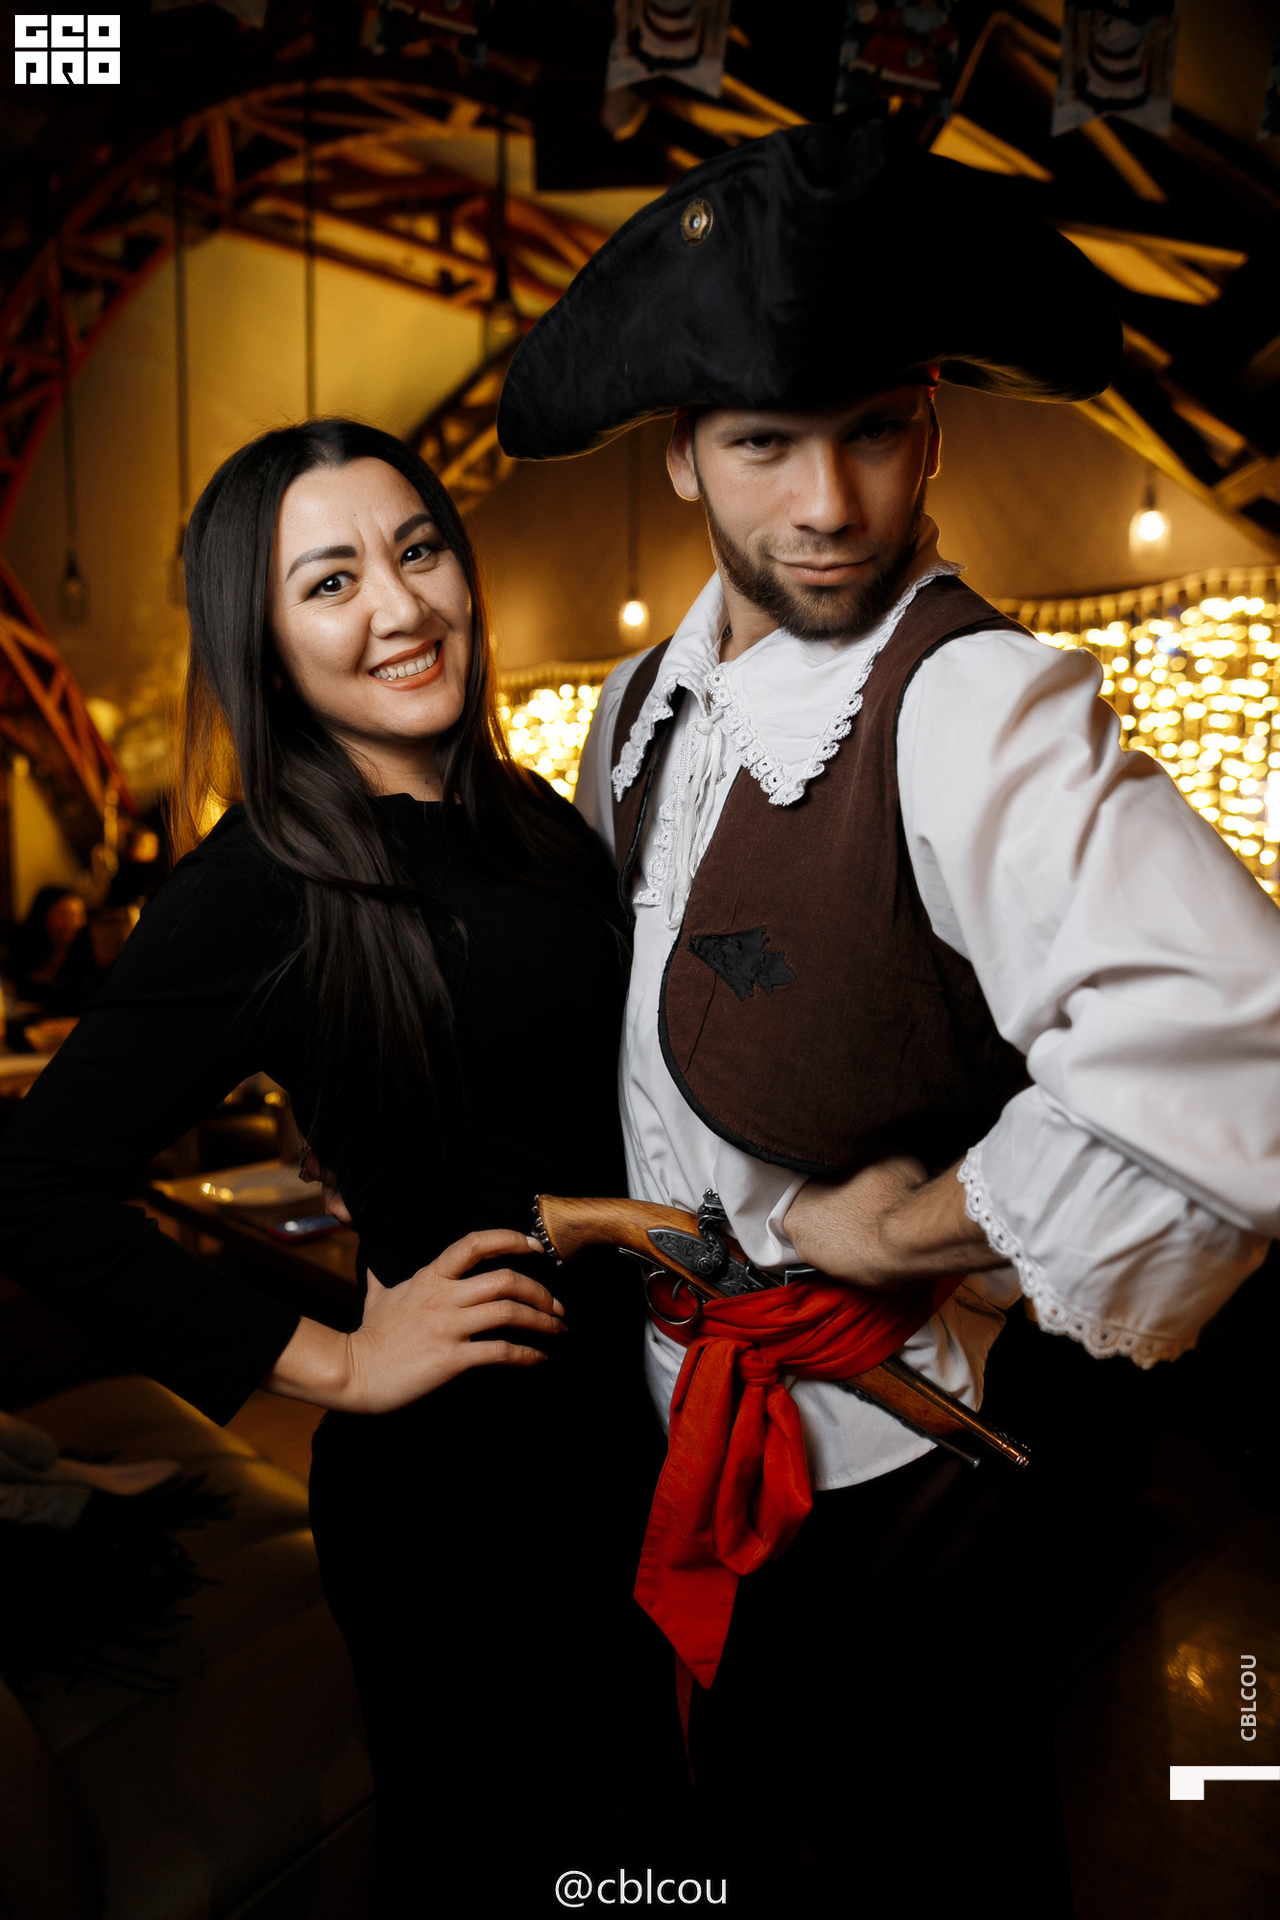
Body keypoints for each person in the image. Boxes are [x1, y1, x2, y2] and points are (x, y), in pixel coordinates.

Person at [497, 120, 1280, 1915]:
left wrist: (912, 1228)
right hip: (678, 1428)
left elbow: (1252, 1054)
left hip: (896, 1458)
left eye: (873, 429)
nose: (831, 505)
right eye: (764, 443)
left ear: (935, 422)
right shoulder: (636, 706)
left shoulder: (975, 704)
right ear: (681, 453)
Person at [0, 419, 671, 1912]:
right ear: (266, 642)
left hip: (630, 1444)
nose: (400, 604)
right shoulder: (259, 884)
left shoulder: (527, 819)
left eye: (417, 549)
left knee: (645, 1863)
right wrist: (338, 1363)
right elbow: (31, 1187)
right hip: (461, 1506)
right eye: (330, 581)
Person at [6, 886, 102, 1021]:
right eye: (64, 915)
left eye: (79, 915)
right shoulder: (24, 954)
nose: (73, 923)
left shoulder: (89, 959)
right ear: (43, 916)